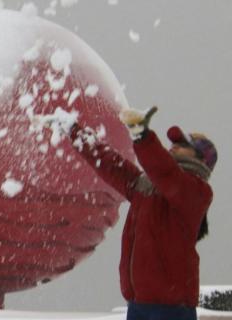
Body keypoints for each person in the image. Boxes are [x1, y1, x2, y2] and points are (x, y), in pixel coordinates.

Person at [37, 105, 217, 320]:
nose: (173, 148)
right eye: (174, 144)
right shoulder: (147, 185)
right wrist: (73, 131)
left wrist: (143, 136)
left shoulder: (195, 191)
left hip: (171, 307)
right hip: (139, 303)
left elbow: (165, 171)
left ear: (200, 159)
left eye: (182, 146)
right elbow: (110, 164)